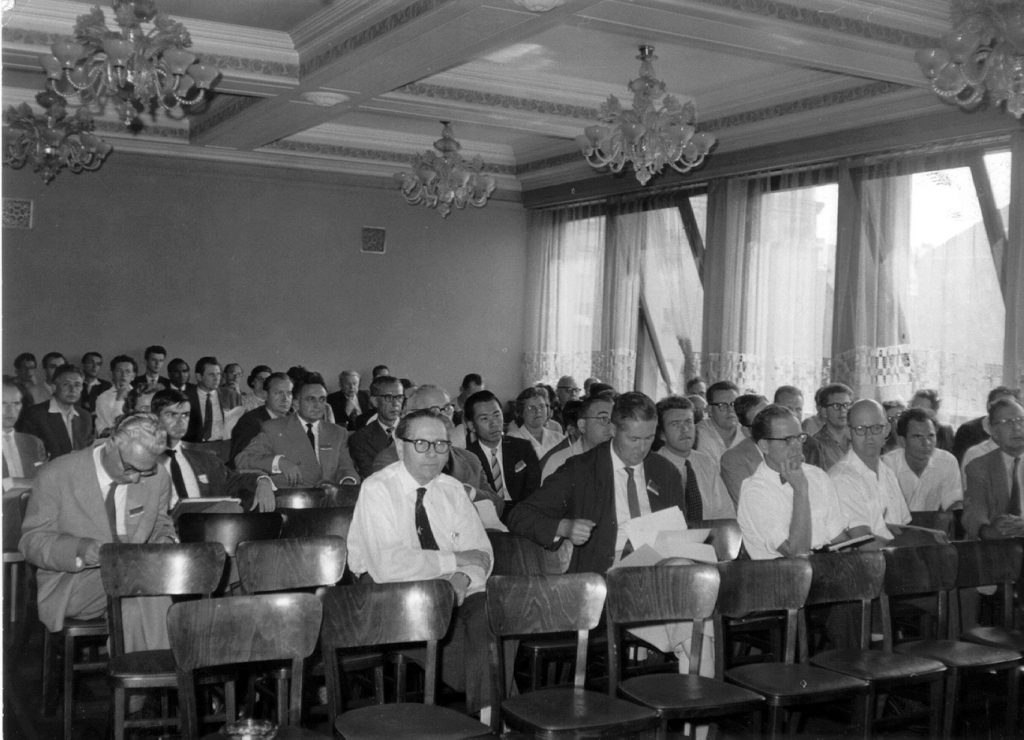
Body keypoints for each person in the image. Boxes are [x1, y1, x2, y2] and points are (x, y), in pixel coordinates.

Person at [347, 409, 494, 717]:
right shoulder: (377, 488)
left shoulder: (452, 489)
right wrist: (454, 561)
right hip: (390, 594)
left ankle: (488, 716)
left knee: (490, 613)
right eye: (422, 444)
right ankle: (484, 713)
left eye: (441, 444)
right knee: (467, 638)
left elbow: (481, 554)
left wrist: (461, 579)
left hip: (454, 588)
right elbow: (389, 566)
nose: (433, 454)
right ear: (401, 447)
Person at [19, 412, 176, 649]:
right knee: (146, 585)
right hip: (75, 580)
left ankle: (138, 680)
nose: (135, 479)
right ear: (111, 443)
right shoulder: (56, 474)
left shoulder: (158, 477)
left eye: (144, 471)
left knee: (139, 596)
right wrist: (79, 548)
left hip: (133, 578)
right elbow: (31, 541)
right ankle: (167, 677)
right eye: (130, 468)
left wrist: (165, 540)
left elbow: (160, 524)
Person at [507, 392, 686, 574]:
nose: (642, 448)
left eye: (649, 438)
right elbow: (520, 516)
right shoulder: (580, 470)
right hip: (602, 575)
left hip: (658, 570)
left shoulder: (665, 472)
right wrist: (564, 527)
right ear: (613, 430)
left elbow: (678, 530)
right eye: (634, 439)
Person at [737, 405, 851, 559]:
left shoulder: (817, 475)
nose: (797, 445)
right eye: (787, 440)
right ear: (764, 446)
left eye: (799, 437)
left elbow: (838, 538)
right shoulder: (754, 492)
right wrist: (800, 491)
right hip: (781, 576)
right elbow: (796, 554)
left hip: (826, 566)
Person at [370, 385, 500, 512]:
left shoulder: (469, 458)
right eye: (433, 411)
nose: (443, 416)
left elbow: (498, 505)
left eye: (447, 408)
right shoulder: (391, 459)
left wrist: (469, 493)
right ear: (410, 416)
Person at [151, 389, 272, 513]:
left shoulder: (206, 461)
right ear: (154, 418)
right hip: (162, 527)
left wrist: (262, 480)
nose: (180, 422)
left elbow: (235, 480)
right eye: (171, 414)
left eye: (185, 415)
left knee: (232, 508)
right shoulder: (144, 463)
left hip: (205, 527)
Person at [236, 375, 359, 490]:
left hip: (330, 500)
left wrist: (348, 482)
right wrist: (279, 462)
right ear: (296, 403)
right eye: (311, 399)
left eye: (322, 399)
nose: (318, 405)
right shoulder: (274, 428)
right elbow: (243, 459)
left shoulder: (337, 432)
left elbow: (347, 468)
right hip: (292, 499)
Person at [828, 399, 911, 545]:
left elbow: (901, 528)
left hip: (894, 557)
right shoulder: (841, 478)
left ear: (886, 429)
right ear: (848, 431)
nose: (869, 436)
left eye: (876, 428)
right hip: (869, 562)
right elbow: (863, 542)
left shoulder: (887, 472)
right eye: (860, 429)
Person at [656, 395, 734, 520]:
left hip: (709, 536)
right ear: (662, 434)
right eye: (675, 424)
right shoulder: (653, 467)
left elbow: (725, 512)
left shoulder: (705, 462)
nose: (685, 429)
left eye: (688, 422)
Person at [464, 390, 541, 516]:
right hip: (488, 518)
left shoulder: (522, 447)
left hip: (523, 513)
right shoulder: (467, 458)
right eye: (484, 418)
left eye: (497, 415)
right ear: (471, 425)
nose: (494, 423)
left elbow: (534, 488)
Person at [963, 398, 1024, 539]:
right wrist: (988, 531)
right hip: (996, 548)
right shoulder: (979, 467)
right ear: (994, 432)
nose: (1017, 427)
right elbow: (974, 512)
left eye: (1021, 420)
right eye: (1007, 422)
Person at [881, 407, 962, 512]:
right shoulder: (887, 465)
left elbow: (953, 504)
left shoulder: (947, 462)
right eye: (918, 437)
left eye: (931, 436)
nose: (926, 443)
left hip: (932, 526)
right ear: (902, 441)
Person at [17, 365, 94, 459]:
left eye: (77, 385)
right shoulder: (34, 415)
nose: (72, 390)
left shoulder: (85, 416)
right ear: (54, 387)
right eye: (66, 384)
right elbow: (27, 453)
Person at [539, 393, 614, 483]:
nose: (612, 427)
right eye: (603, 419)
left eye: (615, 420)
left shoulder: (621, 459)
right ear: (582, 425)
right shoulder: (559, 463)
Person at [229, 373, 293, 468]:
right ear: (266, 395)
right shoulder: (250, 422)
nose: (285, 399)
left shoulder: (294, 420)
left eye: (289, 393)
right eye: (279, 393)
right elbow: (239, 462)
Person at [347, 375, 404, 479]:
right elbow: (372, 476)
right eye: (388, 398)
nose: (395, 403)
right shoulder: (360, 439)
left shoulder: (414, 430)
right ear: (375, 401)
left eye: (399, 397)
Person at [719, 394, 768, 505]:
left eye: (771, 416)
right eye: (760, 423)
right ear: (747, 431)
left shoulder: (792, 443)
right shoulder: (732, 459)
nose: (771, 424)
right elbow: (752, 507)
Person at [953, 386, 1019, 464]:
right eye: (1001, 405)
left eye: (1011, 406)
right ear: (988, 406)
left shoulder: (1017, 432)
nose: (1007, 410)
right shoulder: (967, 430)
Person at [184, 357, 241, 443]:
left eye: (218, 374)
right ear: (199, 376)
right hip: (194, 446)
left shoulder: (231, 395)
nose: (217, 378)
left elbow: (239, 425)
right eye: (211, 375)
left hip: (223, 446)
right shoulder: (186, 397)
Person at [3, 379, 46, 490]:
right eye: (2, 403)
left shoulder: (33, 442)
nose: (10, 410)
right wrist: (9, 483)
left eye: (16, 403)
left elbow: (45, 482)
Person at [803, 383, 854, 472]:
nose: (843, 410)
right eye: (836, 406)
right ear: (823, 411)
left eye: (846, 405)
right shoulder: (815, 446)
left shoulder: (858, 438)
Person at [506, 386, 564, 459]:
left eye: (541, 406)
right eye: (531, 408)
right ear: (521, 412)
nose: (538, 411)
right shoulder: (513, 439)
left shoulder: (559, 438)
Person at [94, 355, 138, 436]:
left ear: (133, 376)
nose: (123, 375)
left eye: (128, 371)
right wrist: (119, 399)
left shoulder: (140, 395)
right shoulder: (103, 398)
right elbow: (116, 424)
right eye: (119, 371)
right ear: (112, 374)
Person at [909, 388, 955, 453]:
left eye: (921, 409)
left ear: (934, 412)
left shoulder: (944, 432)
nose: (916, 413)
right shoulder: (905, 430)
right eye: (913, 408)